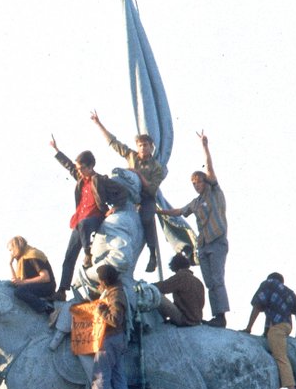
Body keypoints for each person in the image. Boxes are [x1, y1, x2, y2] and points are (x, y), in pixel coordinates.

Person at [159, 131, 229, 327]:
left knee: (217, 279)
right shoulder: (196, 202)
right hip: (204, 244)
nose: (196, 185)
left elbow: (210, 169)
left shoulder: (214, 193)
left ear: (205, 181)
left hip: (217, 241)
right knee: (209, 282)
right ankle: (215, 316)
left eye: (198, 182)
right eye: (193, 183)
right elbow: (179, 211)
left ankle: (221, 316)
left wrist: (205, 146)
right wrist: (159, 210)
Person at [49, 139, 128, 299]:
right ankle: (62, 290)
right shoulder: (80, 179)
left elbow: (123, 192)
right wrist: (57, 151)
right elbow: (70, 166)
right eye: (78, 168)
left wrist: (115, 208)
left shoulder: (100, 180)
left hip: (95, 217)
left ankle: (88, 254)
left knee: (84, 224)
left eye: (82, 168)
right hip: (80, 221)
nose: (79, 171)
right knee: (69, 256)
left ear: (90, 166)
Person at [90, 112, 166, 273]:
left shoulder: (158, 168)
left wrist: (138, 175)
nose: (143, 148)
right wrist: (98, 123)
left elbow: (152, 189)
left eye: (146, 145)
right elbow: (114, 143)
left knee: (147, 218)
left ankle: (152, 254)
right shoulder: (132, 155)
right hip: (127, 194)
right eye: (140, 145)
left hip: (145, 197)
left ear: (151, 147)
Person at [244, 272, 296, 389]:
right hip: (286, 326)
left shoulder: (269, 284)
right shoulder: (289, 292)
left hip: (277, 328)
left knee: (280, 358)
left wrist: (248, 328)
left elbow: (257, 306)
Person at [86, 264, 132, 389]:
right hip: (118, 339)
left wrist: (101, 310)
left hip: (110, 339)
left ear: (105, 281)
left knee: (100, 374)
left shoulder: (116, 296)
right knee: (119, 376)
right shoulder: (117, 291)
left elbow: (115, 319)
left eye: (100, 281)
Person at [7, 236, 56, 314]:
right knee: (16, 288)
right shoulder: (22, 259)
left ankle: (48, 309)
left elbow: (46, 277)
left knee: (20, 291)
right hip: (34, 285)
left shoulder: (33, 255)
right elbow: (16, 280)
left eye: (11, 250)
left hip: (47, 286)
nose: (11, 253)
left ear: (16, 247)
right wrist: (10, 264)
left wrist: (23, 282)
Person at [156, 254, 205, 326]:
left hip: (185, 319)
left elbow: (163, 287)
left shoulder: (182, 276)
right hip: (196, 319)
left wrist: (148, 285)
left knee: (157, 295)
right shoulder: (197, 281)